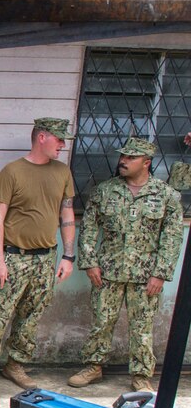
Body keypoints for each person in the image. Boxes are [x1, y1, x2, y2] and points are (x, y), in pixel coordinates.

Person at [0, 118, 77, 392]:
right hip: (15, 256)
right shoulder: (12, 172)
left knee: (32, 314)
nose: (62, 145)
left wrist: (68, 256)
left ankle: (15, 364)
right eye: (58, 139)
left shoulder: (63, 173)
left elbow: (67, 214)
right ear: (42, 138)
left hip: (46, 257)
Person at [67, 138, 183, 392]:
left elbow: (172, 238)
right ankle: (93, 366)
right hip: (107, 271)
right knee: (102, 322)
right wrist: (90, 263)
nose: (123, 161)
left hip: (145, 275)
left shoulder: (166, 196)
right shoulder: (105, 191)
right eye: (123, 156)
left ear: (146, 163)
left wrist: (160, 274)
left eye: (131, 158)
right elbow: (88, 228)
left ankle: (141, 375)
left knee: (142, 327)